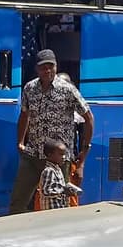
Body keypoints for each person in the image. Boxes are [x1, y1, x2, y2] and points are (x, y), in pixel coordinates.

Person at [10, 49, 92, 215]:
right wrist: (20, 141)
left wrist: (84, 150)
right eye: (43, 67)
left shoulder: (68, 90)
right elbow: (24, 114)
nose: (47, 70)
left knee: (60, 203)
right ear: (37, 69)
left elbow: (88, 117)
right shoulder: (29, 88)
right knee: (18, 202)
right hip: (33, 154)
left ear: (56, 66)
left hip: (58, 159)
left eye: (50, 66)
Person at [33, 140, 76, 210]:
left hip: (59, 209)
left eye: (64, 154)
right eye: (61, 154)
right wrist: (64, 190)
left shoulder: (58, 170)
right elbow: (47, 191)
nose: (64, 157)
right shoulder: (49, 171)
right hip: (51, 211)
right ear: (50, 154)